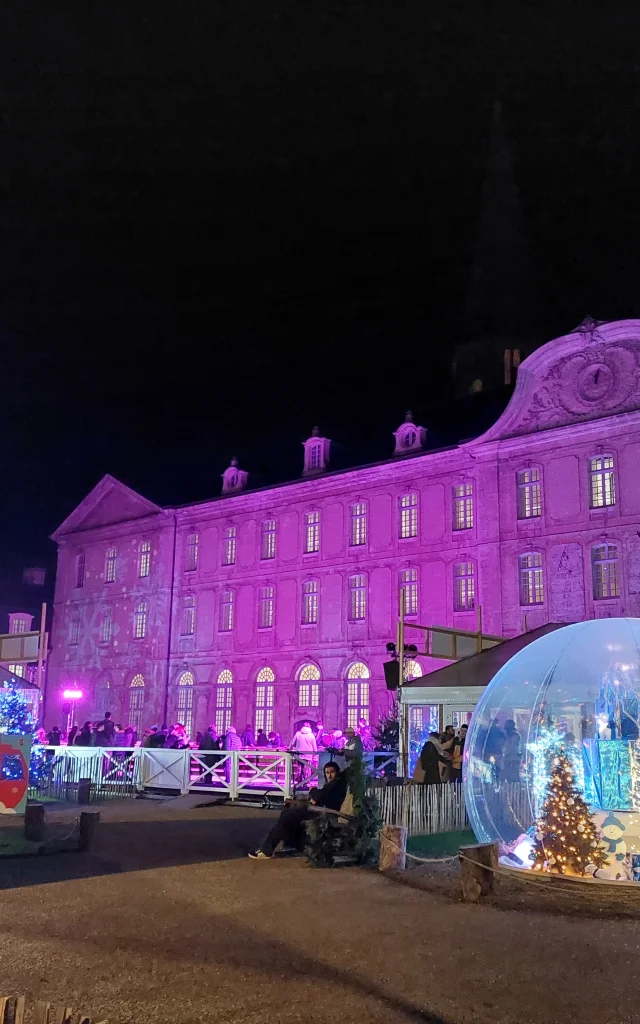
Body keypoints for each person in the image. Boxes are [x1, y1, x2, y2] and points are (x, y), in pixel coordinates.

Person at [249, 761, 347, 859]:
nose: (329, 775)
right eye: (327, 772)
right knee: (287, 814)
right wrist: (315, 797)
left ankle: (267, 851)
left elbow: (319, 796)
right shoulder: (332, 784)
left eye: (332, 772)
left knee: (287, 817)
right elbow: (321, 796)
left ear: (337, 772)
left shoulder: (336, 783)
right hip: (319, 809)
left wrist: (312, 791)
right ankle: (291, 844)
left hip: (323, 812)